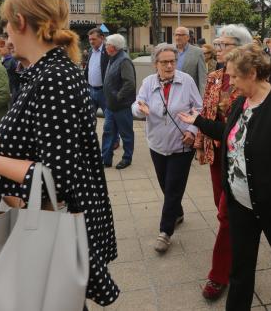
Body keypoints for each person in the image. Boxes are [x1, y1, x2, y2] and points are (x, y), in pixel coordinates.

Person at [0, 0, 119, 307]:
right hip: (33, 220)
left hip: (43, 222)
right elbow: (42, 138)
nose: (5, 35)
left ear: (21, 23)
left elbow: (53, 175)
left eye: (6, 26)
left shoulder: (54, 77)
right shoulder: (41, 73)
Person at [178, 44, 271, 311]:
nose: (230, 83)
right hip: (240, 204)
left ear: (253, 73)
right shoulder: (242, 101)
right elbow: (229, 133)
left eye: (234, 76)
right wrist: (198, 120)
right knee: (240, 271)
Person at [193, 24, 253, 300]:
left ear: (240, 48)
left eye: (223, 45)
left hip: (240, 157)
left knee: (227, 214)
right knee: (224, 212)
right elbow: (207, 111)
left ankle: (219, 275)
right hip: (216, 153)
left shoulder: (251, 78)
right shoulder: (215, 76)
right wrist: (197, 136)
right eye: (217, 45)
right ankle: (238, 249)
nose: (217, 49)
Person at [133, 43, 202, 253]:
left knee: (173, 188)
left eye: (173, 61)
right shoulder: (147, 82)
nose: (170, 66)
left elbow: (198, 107)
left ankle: (165, 232)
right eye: (165, 62)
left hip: (182, 144)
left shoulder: (186, 80)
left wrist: (192, 130)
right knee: (165, 184)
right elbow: (137, 104)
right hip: (157, 144)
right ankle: (177, 212)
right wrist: (140, 109)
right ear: (156, 64)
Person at [101, 33, 136, 169]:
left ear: (114, 47)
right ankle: (106, 159)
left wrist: (118, 96)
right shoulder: (113, 58)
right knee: (108, 132)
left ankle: (127, 158)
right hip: (111, 106)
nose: (105, 46)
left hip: (121, 106)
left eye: (107, 44)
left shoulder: (124, 60)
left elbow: (130, 83)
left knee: (126, 133)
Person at [83, 28, 110, 115]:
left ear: (102, 38)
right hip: (91, 90)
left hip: (104, 92)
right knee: (90, 119)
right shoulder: (91, 51)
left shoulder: (108, 51)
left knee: (109, 120)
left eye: (93, 39)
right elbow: (88, 70)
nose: (91, 42)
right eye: (90, 39)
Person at [174, 26, 207, 94]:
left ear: (188, 37)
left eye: (181, 35)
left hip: (189, 93)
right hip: (171, 92)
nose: (177, 38)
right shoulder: (169, 50)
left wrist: (202, 97)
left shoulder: (198, 52)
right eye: (176, 35)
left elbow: (202, 78)